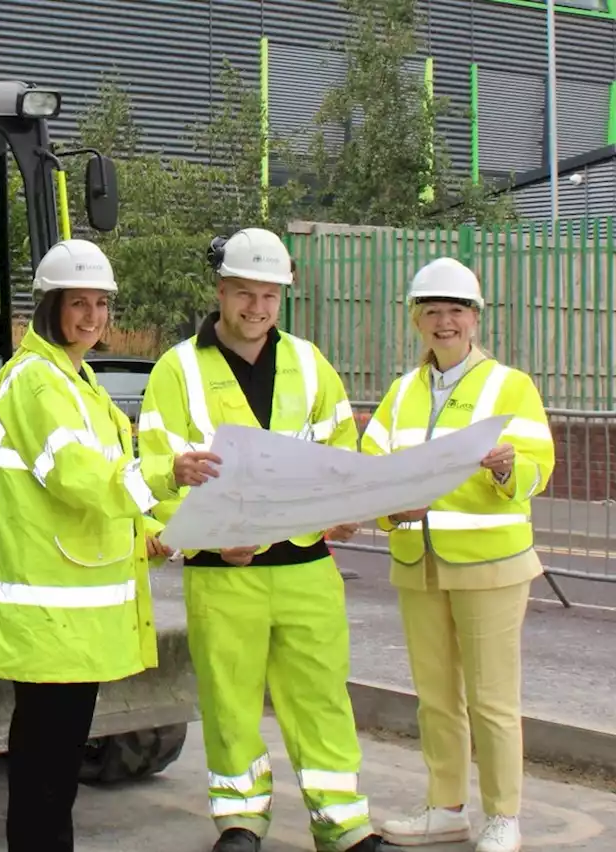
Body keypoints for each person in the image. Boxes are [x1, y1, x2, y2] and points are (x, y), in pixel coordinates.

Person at [137, 228, 396, 852]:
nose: (257, 308)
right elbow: (154, 469)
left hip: (307, 567)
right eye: (245, 293)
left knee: (322, 699)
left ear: (284, 296)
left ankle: (344, 827)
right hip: (223, 574)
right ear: (220, 292)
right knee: (229, 703)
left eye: (270, 296)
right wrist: (201, 539)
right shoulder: (178, 370)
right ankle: (240, 821)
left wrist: (347, 508)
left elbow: (341, 453)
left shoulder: (311, 365)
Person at [0, 238, 171, 852]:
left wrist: (148, 530)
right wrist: (167, 478)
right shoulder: (36, 384)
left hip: (73, 619)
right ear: (50, 307)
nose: (91, 316)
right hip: (51, 616)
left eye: (100, 304)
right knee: (44, 773)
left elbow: (105, 480)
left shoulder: (76, 379)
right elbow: (80, 476)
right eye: (77, 303)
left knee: (54, 771)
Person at [360, 258, 554, 852]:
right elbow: (374, 473)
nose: (444, 322)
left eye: (456, 311)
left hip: (490, 565)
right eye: (432, 311)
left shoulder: (509, 385)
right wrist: (393, 508)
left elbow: (538, 468)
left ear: (475, 320)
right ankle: (446, 807)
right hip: (419, 562)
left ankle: (504, 817)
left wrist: (507, 467)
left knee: (493, 699)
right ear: (416, 320)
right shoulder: (401, 393)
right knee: (436, 696)